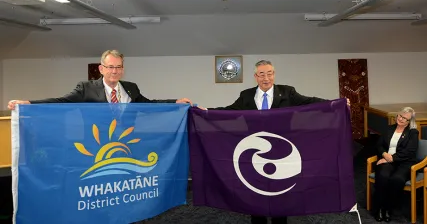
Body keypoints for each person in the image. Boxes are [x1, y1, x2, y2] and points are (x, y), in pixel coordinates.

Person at [208, 60, 348, 224]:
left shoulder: (287, 92)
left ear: (274, 74)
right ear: (255, 76)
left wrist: (336, 103)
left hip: (282, 150)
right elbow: (228, 111)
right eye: (261, 74)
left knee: (280, 190)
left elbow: (310, 101)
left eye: (269, 73)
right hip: (254, 149)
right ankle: (258, 219)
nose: (266, 78)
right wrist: (205, 111)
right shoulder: (246, 95)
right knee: (256, 189)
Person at [8, 49, 192, 109]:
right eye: (111, 67)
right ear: (101, 69)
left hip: (128, 139)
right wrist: (27, 103)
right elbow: (61, 102)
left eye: (118, 67)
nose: (115, 71)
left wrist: (175, 102)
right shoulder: (86, 88)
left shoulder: (131, 88)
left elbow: (148, 104)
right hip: (96, 143)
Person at [373, 107, 418, 222]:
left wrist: (391, 158)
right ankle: (379, 208)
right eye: (400, 116)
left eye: (405, 118)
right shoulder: (388, 129)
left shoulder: (413, 132)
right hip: (387, 159)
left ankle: (388, 209)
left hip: (404, 162)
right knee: (383, 175)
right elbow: (379, 145)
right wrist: (384, 153)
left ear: (409, 122)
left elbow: (409, 151)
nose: (401, 119)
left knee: (397, 179)